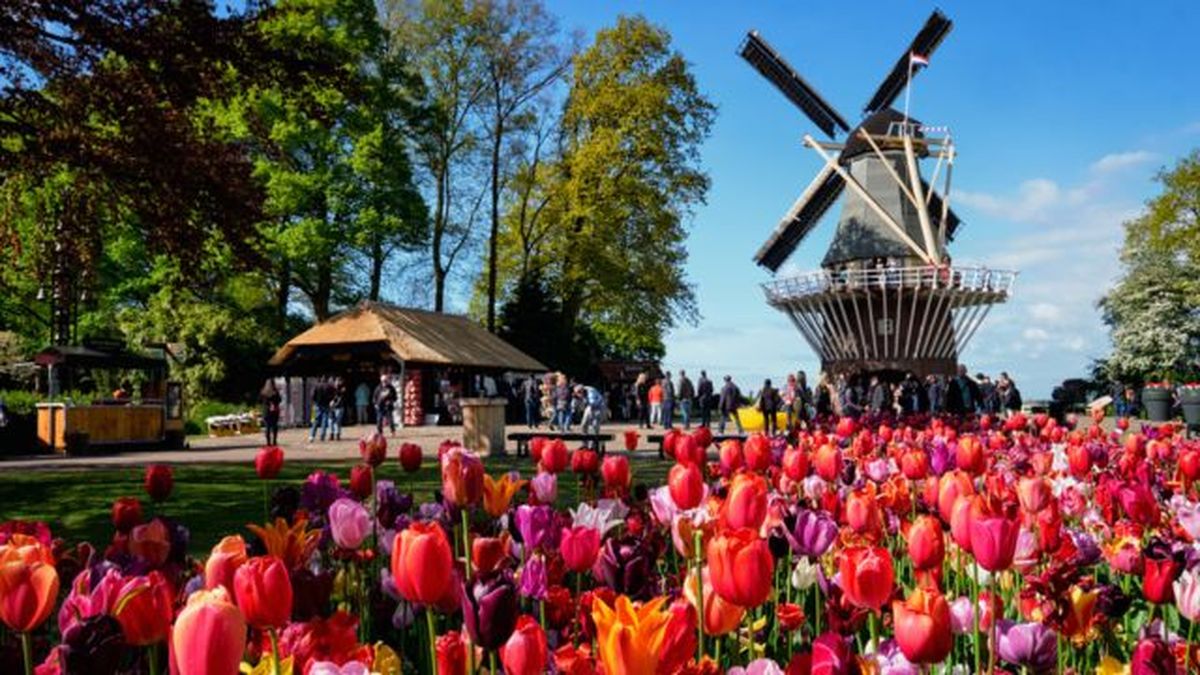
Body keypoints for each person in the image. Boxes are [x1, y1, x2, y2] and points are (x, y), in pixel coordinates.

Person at [308, 378, 332, 442]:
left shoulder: (316, 386)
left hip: (317, 405)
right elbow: (332, 395)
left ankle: (312, 436)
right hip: (326, 405)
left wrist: (314, 402)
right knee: (324, 421)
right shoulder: (329, 386)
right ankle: (322, 436)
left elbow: (312, 396)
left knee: (315, 420)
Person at [260, 378, 282, 446]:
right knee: (275, 426)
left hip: (266, 411)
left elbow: (260, 401)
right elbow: (279, 400)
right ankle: (274, 441)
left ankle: (268, 442)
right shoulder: (275, 392)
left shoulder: (263, 392)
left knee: (267, 427)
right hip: (274, 411)